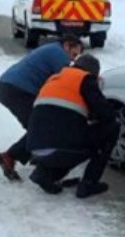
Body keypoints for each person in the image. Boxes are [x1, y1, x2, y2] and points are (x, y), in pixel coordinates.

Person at [0, 34, 83, 181]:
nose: (73, 59)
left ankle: (34, 154)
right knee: (41, 128)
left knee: (37, 126)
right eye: (73, 54)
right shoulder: (59, 54)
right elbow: (69, 79)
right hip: (18, 89)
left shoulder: (51, 49)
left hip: (7, 86)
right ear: (67, 45)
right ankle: (10, 156)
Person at [26, 53, 119, 197]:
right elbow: (106, 114)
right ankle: (88, 184)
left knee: (63, 136)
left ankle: (43, 174)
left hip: (36, 149)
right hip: (61, 150)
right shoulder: (85, 79)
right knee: (112, 127)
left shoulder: (53, 79)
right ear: (93, 72)